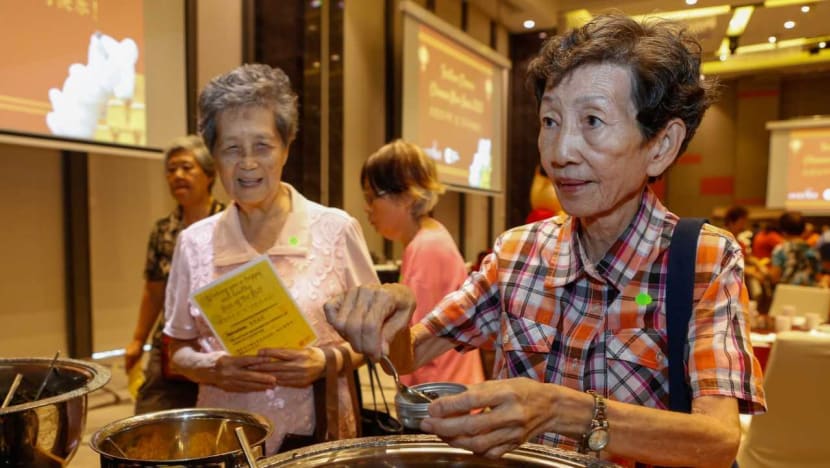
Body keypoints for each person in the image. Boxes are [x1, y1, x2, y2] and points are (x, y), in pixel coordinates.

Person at [324, 15, 765, 467]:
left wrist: (564, 410)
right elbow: (410, 354)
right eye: (550, 121)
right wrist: (393, 318)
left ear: (661, 145)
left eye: (592, 120)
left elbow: (717, 441)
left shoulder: (704, 259)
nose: (560, 152)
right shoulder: (518, 252)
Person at [163, 64, 378, 454]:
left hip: (319, 442)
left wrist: (324, 361)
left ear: (286, 148)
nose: (248, 163)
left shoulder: (336, 230)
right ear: (214, 156)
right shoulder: (193, 242)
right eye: (232, 148)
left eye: (262, 146)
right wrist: (214, 368)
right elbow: (177, 349)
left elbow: (375, 338)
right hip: (225, 442)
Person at [361, 140, 484, 387]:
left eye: (372, 197)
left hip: (441, 393)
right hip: (447, 389)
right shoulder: (428, 239)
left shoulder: (426, 247)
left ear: (406, 196)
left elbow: (410, 345)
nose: (367, 208)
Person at [125, 135, 225, 414]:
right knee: (150, 419)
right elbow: (154, 291)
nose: (177, 175)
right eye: (171, 170)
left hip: (219, 344)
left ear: (209, 174)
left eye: (186, 167)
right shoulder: (163, 230)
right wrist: (137, 340)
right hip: (170, 342)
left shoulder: (232, 223)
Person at [769, 211, 820, 286]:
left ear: (783, 230)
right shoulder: (813, 251)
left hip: (785, 291)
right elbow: (817, 277)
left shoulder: (780, 250)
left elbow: (775, 277)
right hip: (810, 291)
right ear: (803, 230)